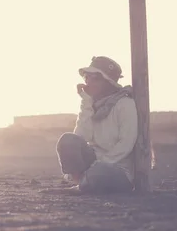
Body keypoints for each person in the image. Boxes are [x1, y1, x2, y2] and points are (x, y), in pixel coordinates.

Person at [56, 56, 138, 194]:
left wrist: (100, 164)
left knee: (100, 172)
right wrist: (86, 102)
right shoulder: (92, 104)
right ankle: (83, 184)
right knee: (68, 140)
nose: (89, 81)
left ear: (108, 82)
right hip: (96, 162)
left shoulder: (125, 104)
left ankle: (83, 185)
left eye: (96, 78)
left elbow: (126, 143)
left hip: (118, 169)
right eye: (87, 77)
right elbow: (81, 137)